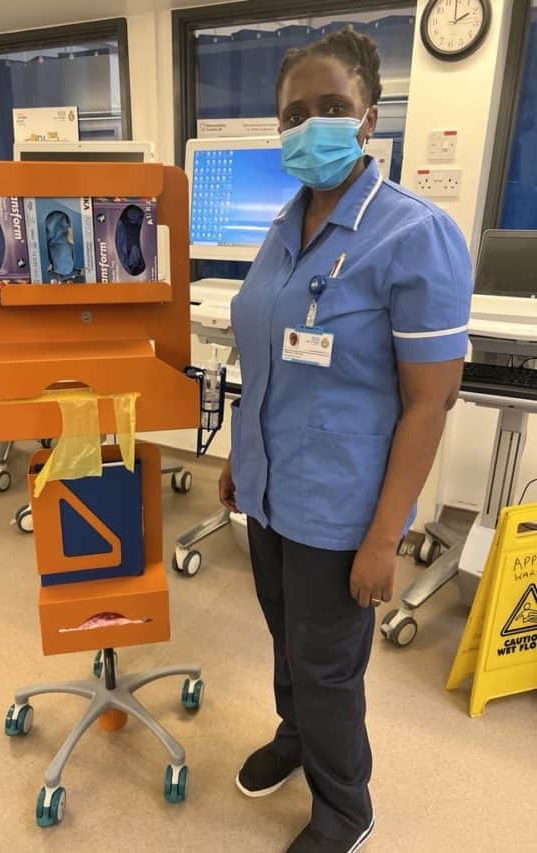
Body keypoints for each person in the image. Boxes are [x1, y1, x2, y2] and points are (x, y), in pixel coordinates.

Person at [218, 27, 473, 853]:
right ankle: (297, 740)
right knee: (286, 641)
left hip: (341, 508)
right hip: (269, 489)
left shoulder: (412, 235)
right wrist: (236, 461)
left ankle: (345, 806)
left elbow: (430, 403)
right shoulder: (283, 225)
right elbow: (265, 361)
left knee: (328, 666)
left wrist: (383, 537)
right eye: (296, 112)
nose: (313, 123)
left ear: (368, 114)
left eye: (332, 106)